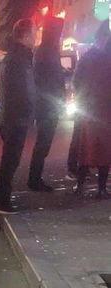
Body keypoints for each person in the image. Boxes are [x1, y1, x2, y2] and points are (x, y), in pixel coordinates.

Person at [0, 19, 37, 215]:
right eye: (34, 33)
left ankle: (2, 198)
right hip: (16, 117)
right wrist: (30, 110)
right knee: (10, 160)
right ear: (25, 36)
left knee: (10, 160)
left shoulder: (14, 57)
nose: (35, 38)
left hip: (12, 116)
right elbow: (24, 90)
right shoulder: (19, 59)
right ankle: (2, 201)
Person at [67, 19, 111, 180]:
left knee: (84, 141)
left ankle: (80, 174)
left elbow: (77, 81)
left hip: (88, 105)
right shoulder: (100, 57)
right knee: (89, 142)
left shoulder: (89, 57)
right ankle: (82, 172)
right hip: (95, 106)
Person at [29, 17, 65, 192]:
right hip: (47, 105)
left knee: (44, 143)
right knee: (43, 143)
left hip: (47, 104)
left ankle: (35, 177)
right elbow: (49, 80)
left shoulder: (46, 50)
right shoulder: (47, 52)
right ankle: (34, 179)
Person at [74, 34, 111, 199]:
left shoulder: (86, 57)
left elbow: (76, 81)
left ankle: (79, 185)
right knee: (104, 151)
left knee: (85, 150)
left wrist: (82, 100)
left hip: (88, 110)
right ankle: (101, 189)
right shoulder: (108, 59)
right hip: (105, 111)